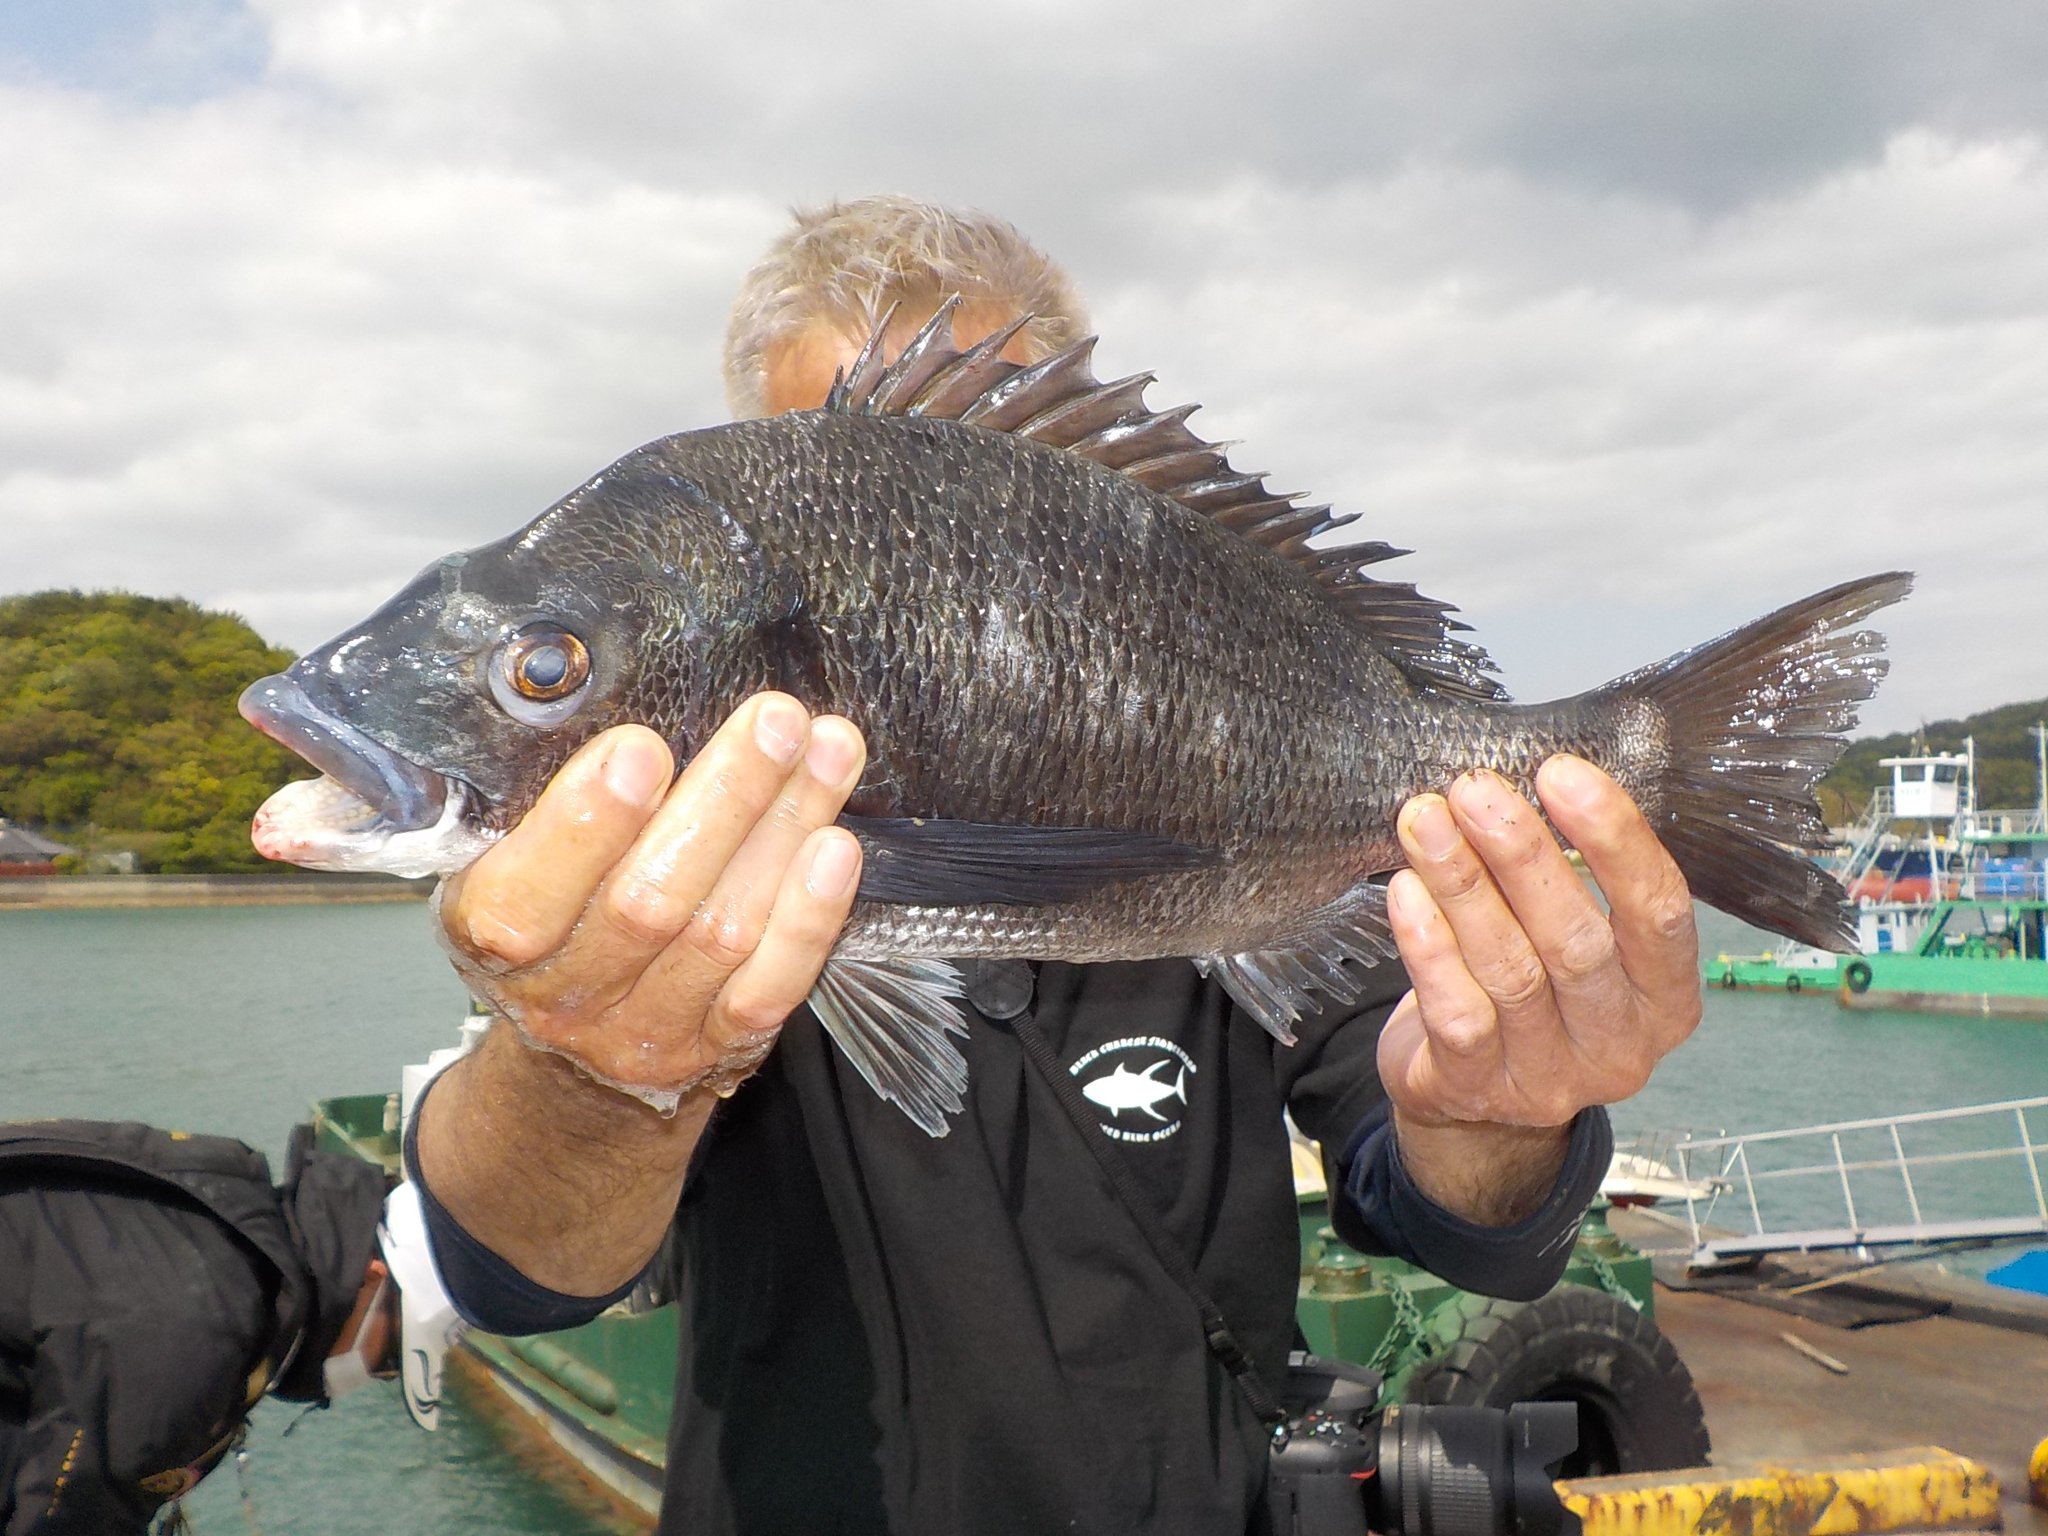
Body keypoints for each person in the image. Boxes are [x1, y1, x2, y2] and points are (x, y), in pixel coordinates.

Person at [407, 197, 1706, 1533]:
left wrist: (1494, 1119)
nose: (930, 560)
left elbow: (1456, 1218)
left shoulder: (1268, 807)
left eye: (979, 475)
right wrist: (585, 1069)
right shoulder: (649, 891)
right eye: (858, 487)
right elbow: (516, 1275)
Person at [0, 1118, 449, 1534]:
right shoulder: (198, 1337)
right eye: (389, 1360)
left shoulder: (233, 1216)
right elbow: (66, 1516)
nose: (376, 1375)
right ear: (372, 1276)